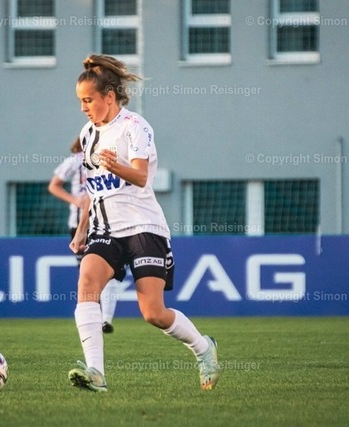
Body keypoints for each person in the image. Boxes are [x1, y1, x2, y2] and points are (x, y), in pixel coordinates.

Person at [67, 54, 220, 392]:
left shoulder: (135, 127)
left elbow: (139, 176)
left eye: (88, 100)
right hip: (105, 230)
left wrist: (115, 165)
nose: (83, 108)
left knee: (153, 312)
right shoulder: (88, 134)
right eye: (80, 101)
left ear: (109, 96)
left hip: (143, 228)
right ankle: (96, 373)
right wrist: (81, 229)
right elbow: (93, 189)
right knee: (87, 283)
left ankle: (203, 348)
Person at [48, 138, 119, 333]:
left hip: (106, 223)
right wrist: (74, 200)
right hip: (80, 224)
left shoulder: (109, 158)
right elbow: (54, 185)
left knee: (107, 271)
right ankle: (96, 318)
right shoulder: (75, 160)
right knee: (89, 274)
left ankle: (105, 319)